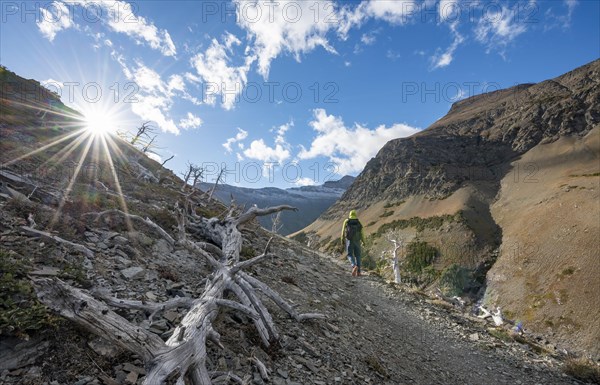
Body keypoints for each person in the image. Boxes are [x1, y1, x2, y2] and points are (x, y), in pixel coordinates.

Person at [340, 210, 365, 277]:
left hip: (349, 240)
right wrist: (363, 241)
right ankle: (359, 272)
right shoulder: (358, 222)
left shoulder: (347, 221)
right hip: (357, 241)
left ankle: (354, 266)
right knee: (358, 256)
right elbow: (362, 233)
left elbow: (343, 231)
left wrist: (342, 239)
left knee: (350, 255)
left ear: (350, 214)